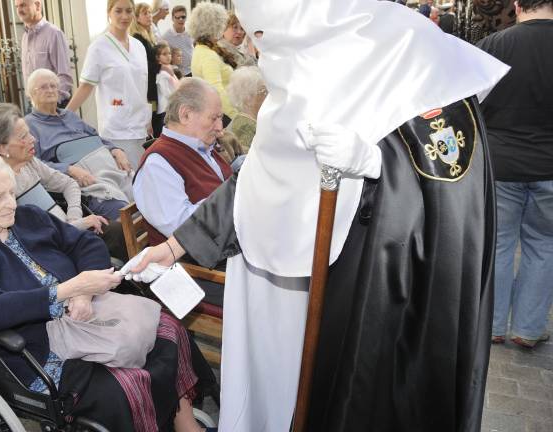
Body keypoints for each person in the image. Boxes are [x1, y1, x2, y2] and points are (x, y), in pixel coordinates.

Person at [123, 0, 509, 431]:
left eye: (264, 36)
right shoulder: (293, 63)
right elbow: (257, 181)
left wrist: (376, 165)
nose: (256, 48)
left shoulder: (411, 57)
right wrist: (175, 247)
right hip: (287, 296)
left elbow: (454, 197)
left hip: (377, 293)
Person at [0, 149, 215, 432]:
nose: (11, 204)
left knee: (169, 329)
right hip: (37, 348)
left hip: (89, 313)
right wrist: (66, 290)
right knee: (125, 383)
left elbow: (87, 244)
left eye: (10, 192)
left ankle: (186, 424)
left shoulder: (29, 217)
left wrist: (83, 293)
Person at [476, 0, 553, 349]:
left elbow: (472, 101)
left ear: (518, 5)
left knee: (499, 244)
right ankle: (529, 328)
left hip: (501, 164)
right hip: (550, 166)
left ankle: (491, 324)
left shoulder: (495, 46)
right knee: (544, 246)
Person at [0, 102, 127, 260]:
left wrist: (74, 217)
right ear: (2, 148)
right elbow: (33, 234)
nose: (33, 139)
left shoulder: (30, 163)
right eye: (23, 137)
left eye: (29, 133)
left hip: (67, 230)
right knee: (110, 239)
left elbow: (69, 184)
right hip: (49, 248)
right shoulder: (0, 185)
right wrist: (76, 226)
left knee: (117, 230)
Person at [133, 78, 231, 246]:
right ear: (185, 114)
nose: (220, 127)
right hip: (198, 266)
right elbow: (183, 229)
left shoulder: (200, 145)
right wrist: (233, 198)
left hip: (226, 247)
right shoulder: (157, 163)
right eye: (213, 118)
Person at [25, 69, 133, 221]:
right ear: (31, 93)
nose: (50, 90)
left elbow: (96, 137)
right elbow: (33, 165)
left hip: (113, 169)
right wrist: (68, 169)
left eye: (53, 86)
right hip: (89, 181)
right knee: (123, 211)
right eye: (43, 87)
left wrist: (115, 149)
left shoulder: (69, 115)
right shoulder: (29, 125)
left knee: (146, 195)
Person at [66, 0, 152, 169]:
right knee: (128, 181)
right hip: (117, 128)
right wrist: (65, 115)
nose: (124, 16)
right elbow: (86, 86)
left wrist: (147, 118)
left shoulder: (139, 46)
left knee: (142, 178)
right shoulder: (99, 47)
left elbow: (142, 85)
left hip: (140, 126)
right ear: (109, 13)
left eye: (129, 11)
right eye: (118, 11)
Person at [15, 0, 73, 106]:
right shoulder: (25, 37)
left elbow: (65, 77)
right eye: (17, 6)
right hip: (33, 105)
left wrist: (52, 103)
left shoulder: (54, 34)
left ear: (37, 6)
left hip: (52, 106)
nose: (19, 10)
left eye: (23, 5)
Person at [188, 2, 239, 124]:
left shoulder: (201, 49)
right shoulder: (208, 55)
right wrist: (237, 117)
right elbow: (217, 91)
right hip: (223, 118)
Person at [131, 2, 161, 136]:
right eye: (145, 13)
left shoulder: (148, 35)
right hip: (147, 89)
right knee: (152, 121)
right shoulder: (138, 38)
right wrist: (162, 66)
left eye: (149, 12)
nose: (149, 16)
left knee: (156, 119)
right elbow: (144, 65)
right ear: (136, 18)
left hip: (153, 85)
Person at [225, 65, 266, 153]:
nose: (268, 95)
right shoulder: (244, 128)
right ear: (248, 99)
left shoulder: (248, 120)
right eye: (263, 91)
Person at [155, 42, 180, 136]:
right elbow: (166, 93)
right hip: (165, 108)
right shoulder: (161, 73)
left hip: (171, 106)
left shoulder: (169, 69)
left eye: (169, 53)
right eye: (164, 54)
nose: (168, 56)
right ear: (157, 57)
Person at [162, 5, 194, 77]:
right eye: (177, 17)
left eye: (183, 17)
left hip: (193, 71)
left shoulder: (191, 32)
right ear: (173, 19)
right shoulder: (166, 37)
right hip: (178, 74)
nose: (180, 19)